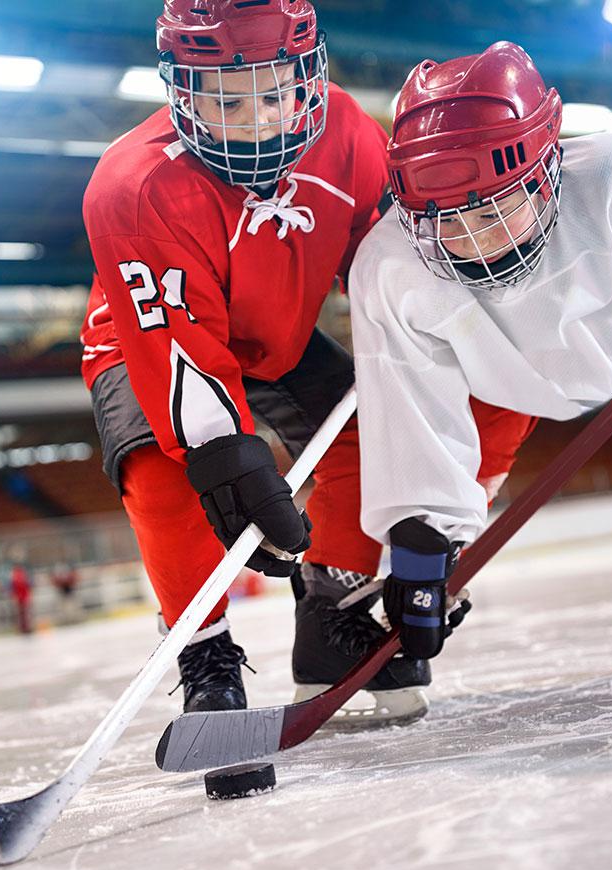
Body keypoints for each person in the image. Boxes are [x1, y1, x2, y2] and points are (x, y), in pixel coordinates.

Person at [80, 1, 534, 718]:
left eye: (273, 90)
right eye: (224, 98)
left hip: (276, 333)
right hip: (156, 338)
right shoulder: (130, 186)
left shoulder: (351, 135)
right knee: (162, 469)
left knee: (372, 432)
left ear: (308, 74)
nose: (255, 118)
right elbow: (175, 346)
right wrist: (227, 458)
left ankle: (332, 617)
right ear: (180, 90)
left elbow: (390, 270)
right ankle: (206, 657)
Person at [349, 42, 612, 662]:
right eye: (444, 219)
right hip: (499, 380)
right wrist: (421, 547)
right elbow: (410, 408)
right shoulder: (391, 267)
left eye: (495, 207)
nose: (472, 241)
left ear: (548, 162)